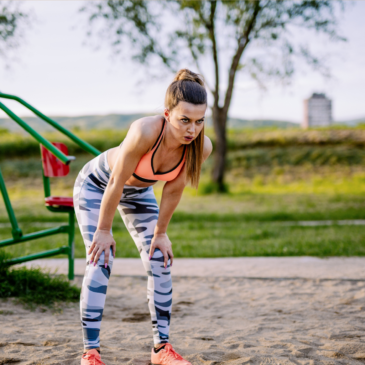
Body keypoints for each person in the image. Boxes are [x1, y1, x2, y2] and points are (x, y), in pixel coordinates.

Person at [73, 68, 213, 365]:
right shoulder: (145, 131)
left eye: (200, 121)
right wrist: (103, 230)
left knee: (159, 258)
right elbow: (115, 182)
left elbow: (173, 190)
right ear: (167, 113)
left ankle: (161, 349)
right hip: (98, 186)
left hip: (138, 194)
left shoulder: (201, 146)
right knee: (102, 258)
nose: (192, 129)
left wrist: (161, 234)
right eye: (184, 120)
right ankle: (91, 352)